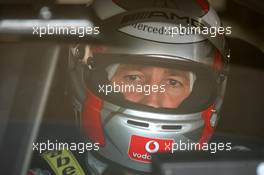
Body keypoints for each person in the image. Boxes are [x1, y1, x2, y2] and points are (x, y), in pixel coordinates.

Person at [28, 0, 230, 174]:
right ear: (88, 75)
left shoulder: (239, 167)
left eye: (172, 82)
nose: (152, 100)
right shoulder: (27, 160)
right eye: (133, 78)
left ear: (201, 91)